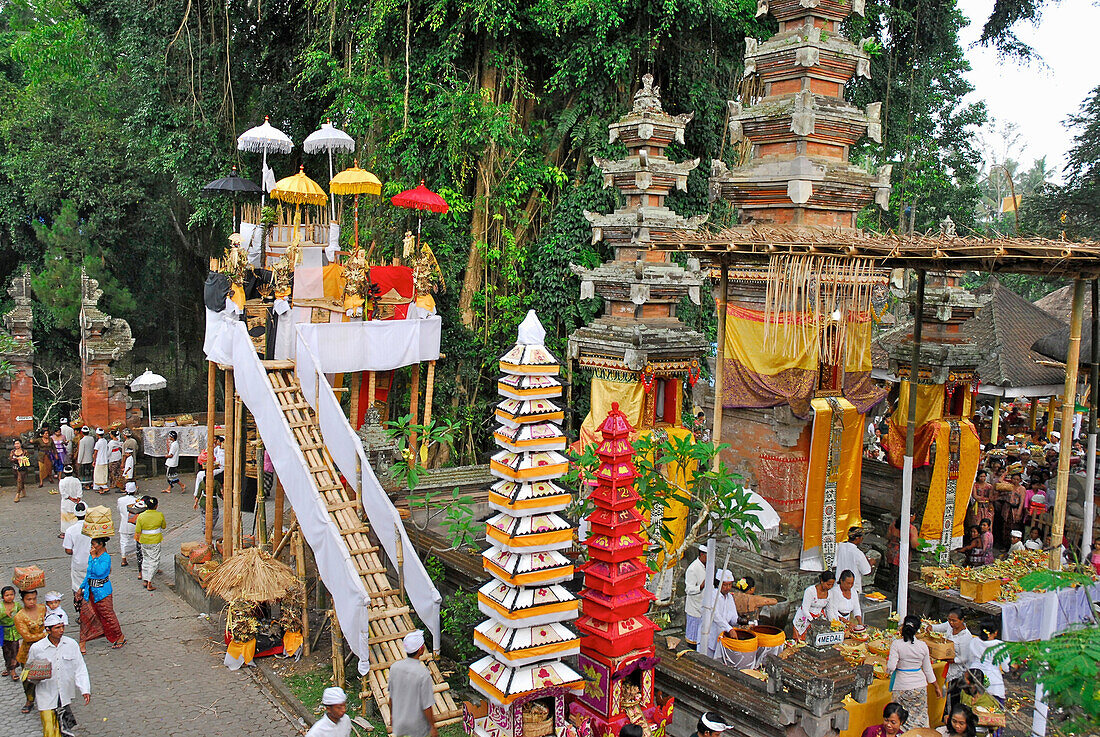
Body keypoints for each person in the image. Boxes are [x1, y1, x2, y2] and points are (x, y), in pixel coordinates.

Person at [27, 610, 90, 737]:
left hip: (64, 694)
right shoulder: (37, 648)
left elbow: (79, 667)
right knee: (50, 730)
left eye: (62, 627)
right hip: (46, 694)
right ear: (48, 630)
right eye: (57, 628)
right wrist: (36, 675)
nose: (61, 630)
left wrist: (85, 689)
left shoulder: (71, 644)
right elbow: (29, 670)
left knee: (64, 728)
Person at [887, 614, 942, 728]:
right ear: (917, 630)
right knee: (919, 718)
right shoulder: (922, 646)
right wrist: (936, 687)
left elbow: (891, 666)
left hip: (901, 686)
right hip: (919, 686)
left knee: (899, 719)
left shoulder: (897, 644)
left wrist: (888, 673)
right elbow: (928, 670)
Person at [77, 537, 125, 651]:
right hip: (90, 590)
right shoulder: (92, 556)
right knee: (85, 614)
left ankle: (119, 636)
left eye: (94, 544)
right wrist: (81, 587)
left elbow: (100, 572)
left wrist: (94, 558)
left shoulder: (105, 558)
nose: (92, 547)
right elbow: (89, 573)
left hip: (103, 592)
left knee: (108, 615)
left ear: (101, 545)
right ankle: (83, 641)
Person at [388, 630, 437, 737]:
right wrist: (432, 726)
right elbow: (427, 705)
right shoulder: (422, 674)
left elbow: (391, 697)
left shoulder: (395, 668)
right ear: (421, 649)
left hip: (400, 724)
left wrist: (391, 715)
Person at [14, 589, 47, 713]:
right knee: (27, 678)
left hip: (45, 649)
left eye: (34, 598)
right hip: (27, 653)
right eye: (29, 599)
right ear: (22, 600)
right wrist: (44, 635)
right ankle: (29, 700)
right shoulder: (19, 617)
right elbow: (27, 637)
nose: (32, 601)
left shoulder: (43, 609)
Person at [697, 570, 738, 660]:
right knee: (705, 660)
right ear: (718, 584)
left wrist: (740, 621)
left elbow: (733, 616)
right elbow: (715, 616)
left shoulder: (729, 597)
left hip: (721, 637)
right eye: (725, 585)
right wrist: (729, 628)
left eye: (730, 585)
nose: (727, 588)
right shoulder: (711, 596)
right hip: (709, 634)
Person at [135, 495, 166, 590]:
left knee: (146, 559)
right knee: (154, 560)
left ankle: (145, 579)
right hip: (155, 540)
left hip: (144, 540)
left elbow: (138, 529)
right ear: (156, 506)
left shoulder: (141, 516)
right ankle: (149, 582)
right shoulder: (159, 515)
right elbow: (164, 526)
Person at [793, 571, 835, 641]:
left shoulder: (830, 594)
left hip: (818, 618)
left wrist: (833, 623)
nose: (830, 587)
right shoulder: (810, 591)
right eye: (828, 584)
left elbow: (829, 610)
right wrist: (812, 620)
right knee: (800, 640)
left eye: (832, 585)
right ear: (822, 581)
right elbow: (805, 608)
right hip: (804, 617)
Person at [834, 527, 873, 595]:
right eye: (861, 537)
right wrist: (871, 563)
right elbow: (866, 571)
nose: (862, 539)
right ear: (857, 538)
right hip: (852, 589)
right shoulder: (858, 553)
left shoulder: (840, 546)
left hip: (838, 586)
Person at [63, 503, 91, 594]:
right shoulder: (92, 528)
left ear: (75, 514)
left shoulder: (70, 530)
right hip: (91, 561)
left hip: (78, 563)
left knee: (78, 587)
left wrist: (75, 550)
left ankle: (80, 605)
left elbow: (68, 550)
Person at [684, 545, 707, 646]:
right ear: (702, 554)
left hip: (703, 606)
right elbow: (688, 589)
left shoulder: (708, 566)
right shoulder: (693, 569)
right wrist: (700, 587)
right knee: (692, 638)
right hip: (694, 609)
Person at [0, 586, 22, 679]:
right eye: (7, 595)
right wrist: (4, 614)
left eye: (11, 594)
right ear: (2, 596)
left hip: (15, 633)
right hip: (4, 633)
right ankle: (8, 668)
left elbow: (22, 615)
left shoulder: (17, 605)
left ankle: (13, 671)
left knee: (14, 651)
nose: (9, 597)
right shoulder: (0, 607)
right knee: (6, 652)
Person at [117, 484, 138, 567]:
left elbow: (119, 510)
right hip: (135, 523)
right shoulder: (137, 500)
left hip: (124, 524)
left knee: (123, 541)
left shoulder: (120, 500)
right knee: (136, 540)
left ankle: (124, 559)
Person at [58, 467, 82, 538]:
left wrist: (70, 498)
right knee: (75, 518)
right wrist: (78, 499)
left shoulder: (62, 481)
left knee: (65, 519)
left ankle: (64, 533)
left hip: (66, 502)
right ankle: (76, 532)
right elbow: (79, 491)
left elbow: (63, 493)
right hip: (75, 502)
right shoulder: (76, 480)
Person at [10, 438, 32, 502]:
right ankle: (23, 491)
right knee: (19, 480)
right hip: (15, 468)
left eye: (17, 443)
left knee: (19, 480)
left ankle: (17, 494)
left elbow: (28, 458)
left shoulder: (25, 451)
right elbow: (11, 459)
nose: (16, 445)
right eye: (15, 444)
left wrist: (23, 459)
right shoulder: (13, 452)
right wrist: (16, 459)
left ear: (20, 444)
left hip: (22, 468)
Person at [91, 428, 109, 493]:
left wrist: (94, 461)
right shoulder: (105, 441)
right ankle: (101, 488)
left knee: (98, 475)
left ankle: (104, 487)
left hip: (99, 460)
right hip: (105, 460)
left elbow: (95, 453)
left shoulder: (98, 443)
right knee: (103, 474)